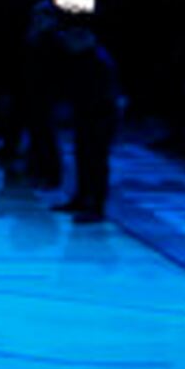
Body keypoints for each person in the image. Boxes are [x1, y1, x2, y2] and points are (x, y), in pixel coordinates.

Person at [57, 26, 120, 223]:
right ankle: (82, 198)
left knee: (96, 162)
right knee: (83, 158)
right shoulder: (84, 59)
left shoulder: (98, 62)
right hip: (86, 115)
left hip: (99, 118)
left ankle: (96, 206)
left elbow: (101, 93)